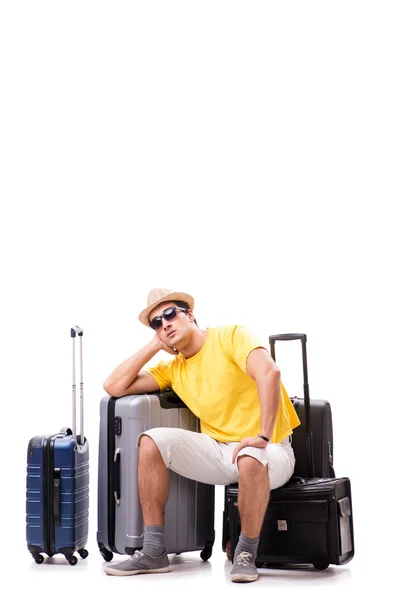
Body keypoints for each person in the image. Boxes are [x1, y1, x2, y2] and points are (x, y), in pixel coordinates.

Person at [103, 288, 300, 583]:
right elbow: (114, 386)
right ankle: (154, 550)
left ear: (190, 314)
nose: (165, 323)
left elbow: (270, 373)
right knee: (150, 441)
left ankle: (246, 553)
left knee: (249, 456)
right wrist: (154, 345)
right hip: (219, 451)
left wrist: (262, 436)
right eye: (156, 322)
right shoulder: (173, 368)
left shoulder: (230, 336)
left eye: (170, 314)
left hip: (270, 450)